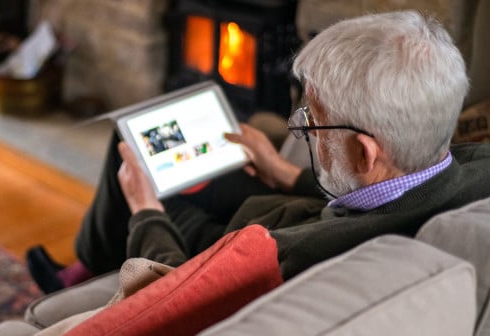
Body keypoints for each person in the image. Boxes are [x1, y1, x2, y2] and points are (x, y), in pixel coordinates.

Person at [27, 10, 490, 294]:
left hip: (225, 242)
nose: (301, 127)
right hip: (285, 206)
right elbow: (383, 189)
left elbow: (171, 290)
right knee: (154, 150)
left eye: (312, 121)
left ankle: (82, 270)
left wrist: (146, 212)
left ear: (364, 154)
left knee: (129, 152)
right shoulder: (475, 171)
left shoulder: (294, 258)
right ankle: (88, 262)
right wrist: (287, 173)